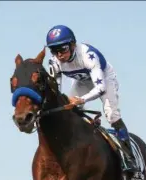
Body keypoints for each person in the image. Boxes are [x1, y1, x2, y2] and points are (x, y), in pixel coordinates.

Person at [46, 25, 138, 172]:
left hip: (104, 79)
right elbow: (55, 90)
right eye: (54, 50)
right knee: (68, 112)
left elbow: (100, 89)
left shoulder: (88, 55)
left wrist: (81, 100)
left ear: (72, 45)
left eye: (62, 49)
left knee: (111, 113)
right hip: (82, 81)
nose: (59, 55)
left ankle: (129, 158)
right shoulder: (55, 62)